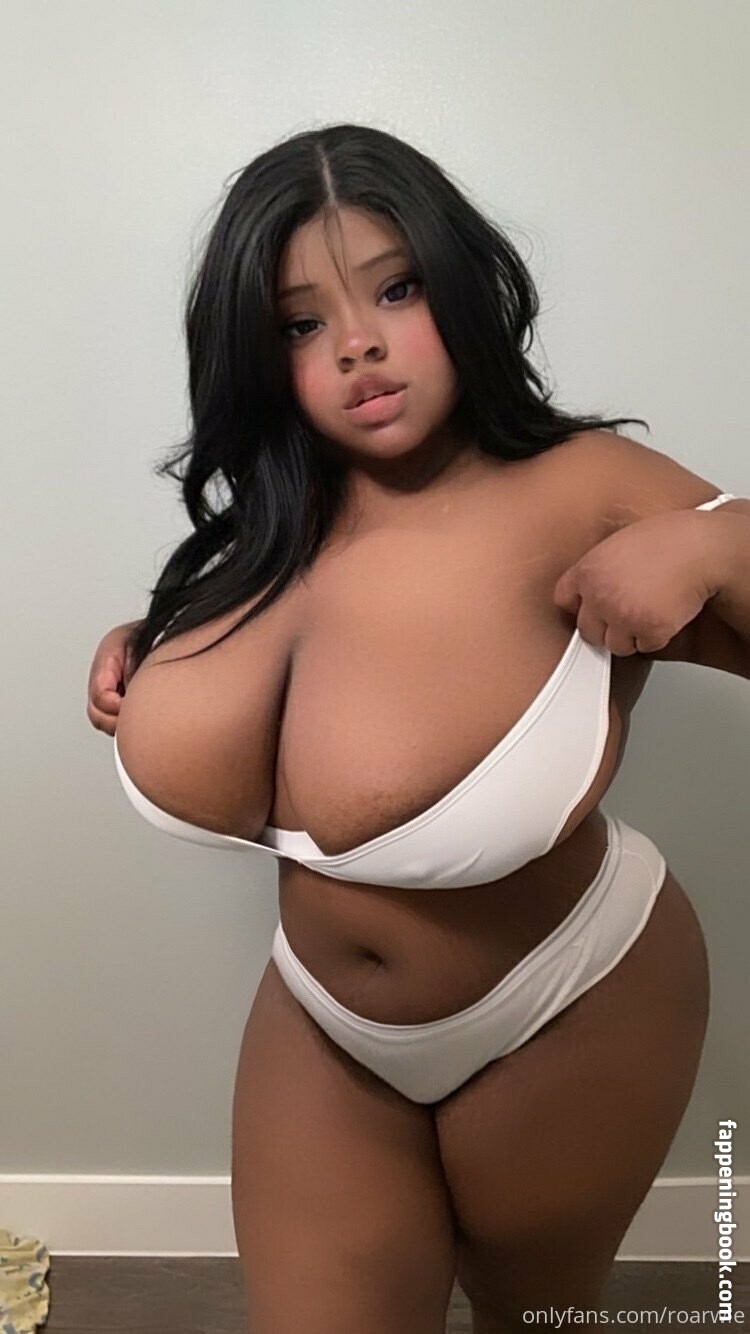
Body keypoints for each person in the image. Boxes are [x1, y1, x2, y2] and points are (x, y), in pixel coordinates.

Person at [86, 123, 743, 1334]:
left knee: (536, 1319)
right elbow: (333, 677)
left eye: (396, 289)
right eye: (301, 323)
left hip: (569, 998)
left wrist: (721, 540)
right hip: (323, 1023)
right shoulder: (274, 524)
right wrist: (159, 646)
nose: (358, 343)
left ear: (461, 283)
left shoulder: (585, 483)